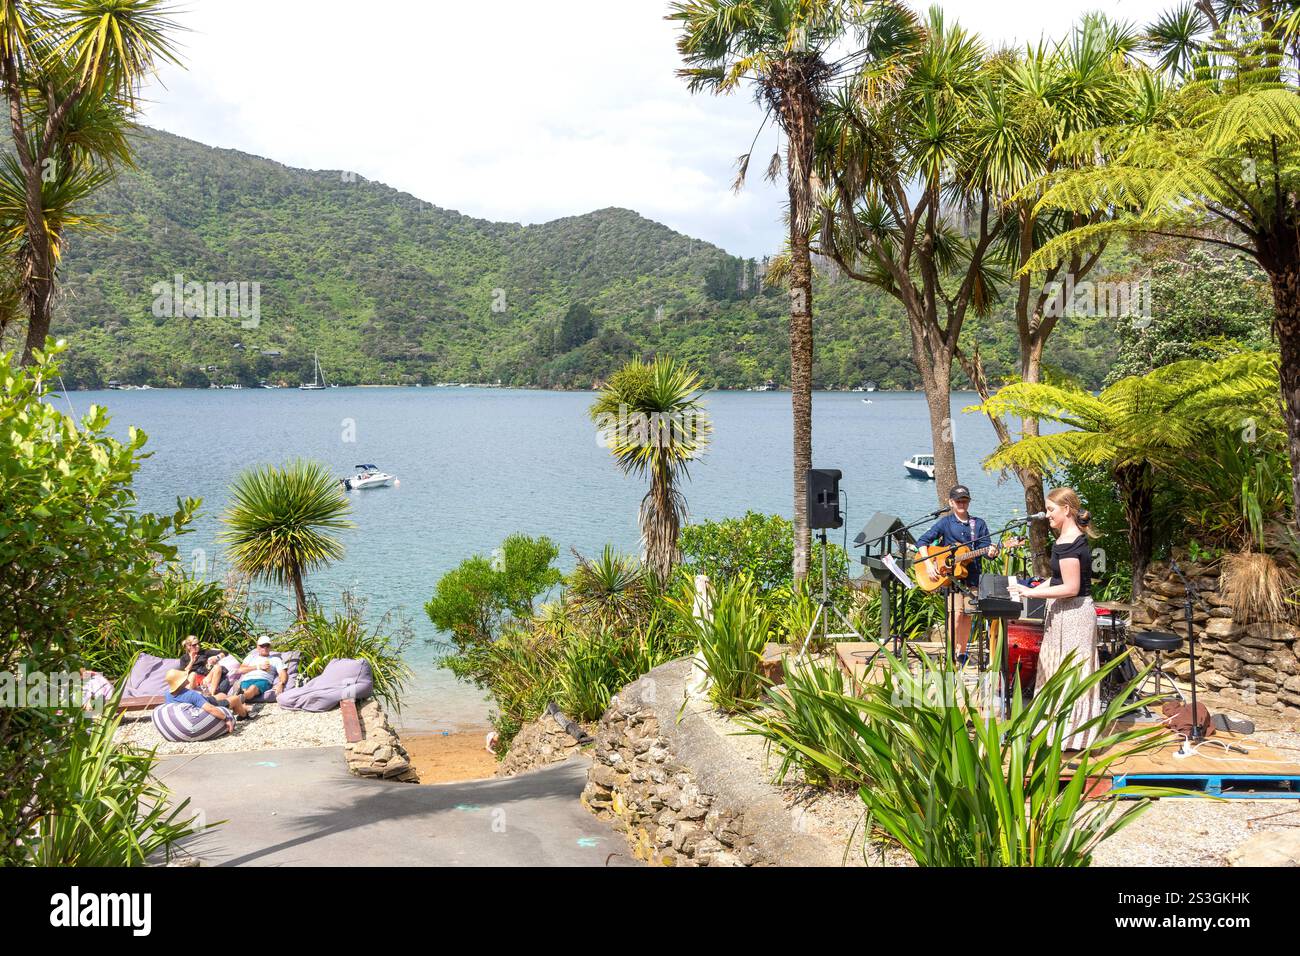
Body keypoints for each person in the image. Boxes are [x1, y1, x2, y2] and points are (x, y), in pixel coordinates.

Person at [1009, 487, 1101, 751]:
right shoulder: (1069, 539)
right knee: (1056, 668)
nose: (1046, 514)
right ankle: (1054, 731)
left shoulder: (1070, 543)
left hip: (1073, 614)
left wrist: (1031, 594)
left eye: (1051, 510)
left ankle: (1070, 736)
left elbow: (1071, 587)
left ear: (1066, 510)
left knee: (1070, 672)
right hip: (1065, 612)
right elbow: (1058, 580)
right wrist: (1031, 589)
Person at [916, 484, 998, 666]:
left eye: (965, 500)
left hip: (973, 577)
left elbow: (986, 549)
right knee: (956, 615)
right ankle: (951, 653)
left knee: (968, 614)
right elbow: (922, 542)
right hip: (952, 579)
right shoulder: (945, 523)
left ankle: (962, 653)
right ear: (951, 502)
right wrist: (929, 564)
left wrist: (992, 552)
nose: (962, 503)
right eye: (959, 500)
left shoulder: (979, 524)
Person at [163, 668, 242, 734]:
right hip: (207, 705)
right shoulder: (191, 694)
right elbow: (210, 709)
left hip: (205, 700)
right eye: (185, 678)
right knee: (235, 699)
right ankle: (244, 714)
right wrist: (226, 718)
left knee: (222, 695)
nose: (187, 680)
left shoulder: (167, 694)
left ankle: (240, 705)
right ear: (181, 682)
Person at [229, 635, 288, 704]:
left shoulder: (275, 659)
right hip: (247, 679)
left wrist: (281, 683)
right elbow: (240, 670)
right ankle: (240, 697)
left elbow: (282, 673)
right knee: (245, 689)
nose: (265, 648)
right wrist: (258, 667)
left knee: (253, 688)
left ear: (270, 647)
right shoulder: (250, 657)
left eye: (267, 645)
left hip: (263, 680)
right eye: (262, 646)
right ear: (257, 647)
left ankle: (237, 698)